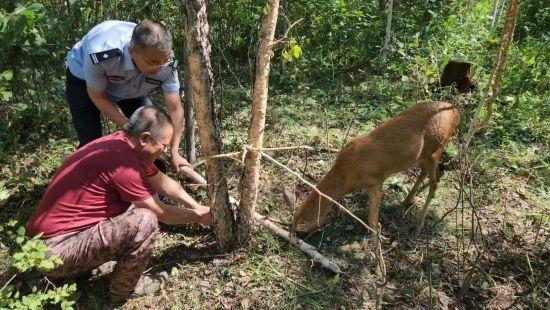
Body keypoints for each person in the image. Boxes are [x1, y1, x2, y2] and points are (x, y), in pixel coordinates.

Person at [26, 106, 211, 304]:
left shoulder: (124, 144)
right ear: (145, 138)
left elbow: (162, 182)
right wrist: (200, 217)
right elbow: (160, 211)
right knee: (145, 220)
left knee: (136, 209)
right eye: (164, 145)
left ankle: (73, 272)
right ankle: (123, 290)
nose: (165, 151)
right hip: (52, 251)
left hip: (45, 244)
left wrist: (197, 206)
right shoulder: (123, 161)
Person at [65, 19, 190, 172]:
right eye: (152, 62)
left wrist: (174, 151)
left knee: (153, 132)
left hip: (130, 85)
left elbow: (175, 109)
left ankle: (154, 186)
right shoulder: (101, 54)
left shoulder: (166, 61)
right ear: (132, 52)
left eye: (163, 61)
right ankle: (93, 184)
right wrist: (130, 129)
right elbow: (97, 96)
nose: (159, 68)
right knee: (91, 140)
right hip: (84, 79)